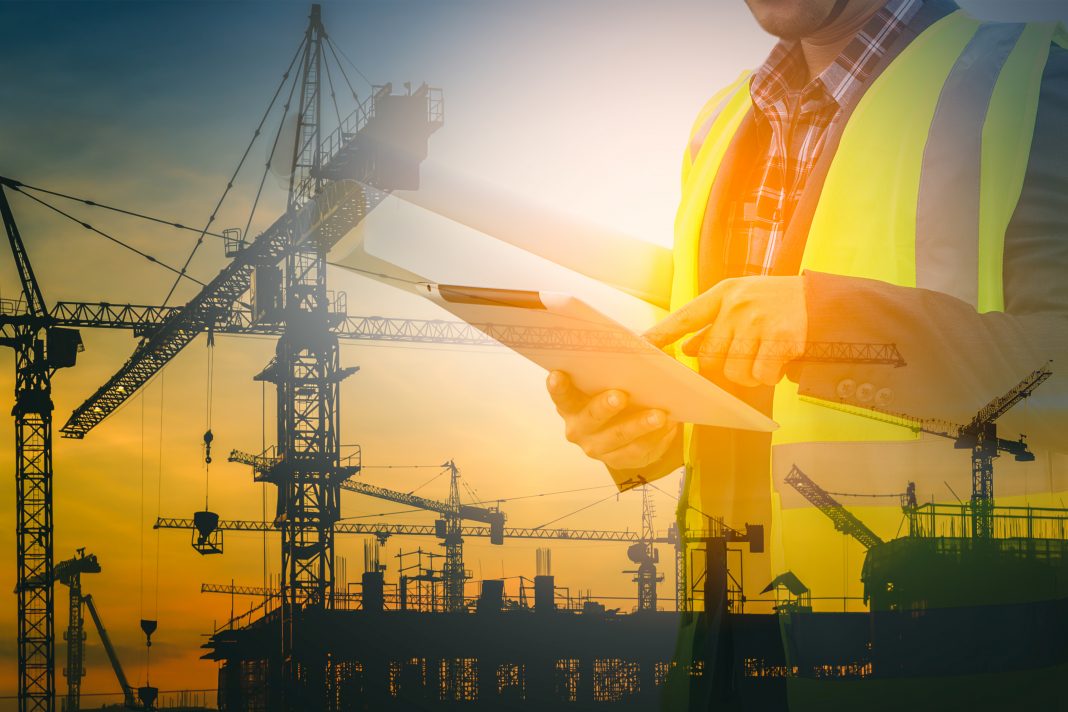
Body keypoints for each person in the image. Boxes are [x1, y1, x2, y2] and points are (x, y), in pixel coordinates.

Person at [547, 0, 1068, 709]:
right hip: (725, 652)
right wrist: (638, 430)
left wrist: (834, 326)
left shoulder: (1033, 81)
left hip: (938, 657)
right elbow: (735, 391)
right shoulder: (720, 123)